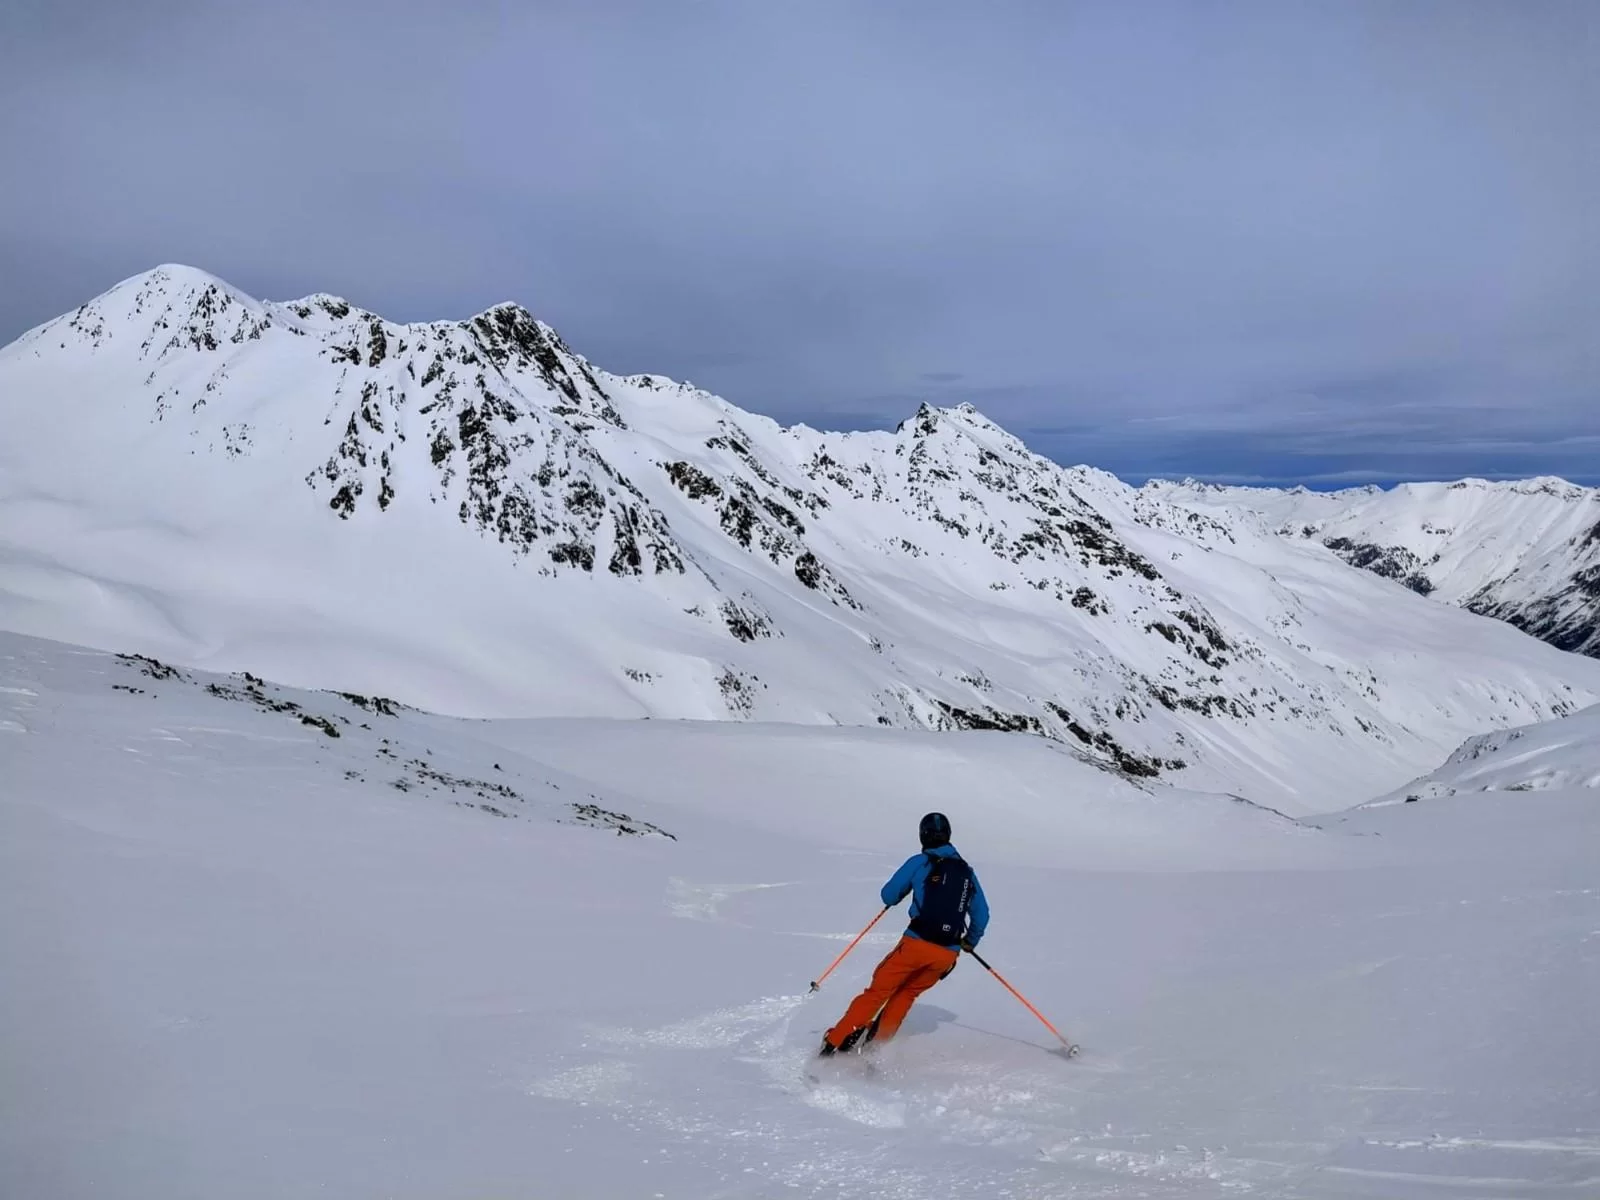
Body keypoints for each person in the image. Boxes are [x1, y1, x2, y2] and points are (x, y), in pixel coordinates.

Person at [819, 812, 989, 1055]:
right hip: (946, 954)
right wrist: (970, 941)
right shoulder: (967, 873)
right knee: (907, 993)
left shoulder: (921, 862)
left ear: (923, 836)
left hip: (916, 943)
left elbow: (889, 895)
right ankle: (877, 1048)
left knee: (878, 992)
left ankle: (835, 1041)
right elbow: (982, 915)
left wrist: (906, 891)